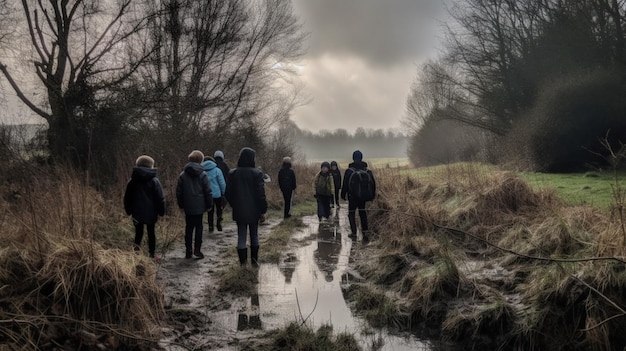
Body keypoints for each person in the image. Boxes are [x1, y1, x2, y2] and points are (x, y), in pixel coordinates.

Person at [225, 147, 268, 266]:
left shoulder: (233, 173)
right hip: (254, 210)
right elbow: (260, 194)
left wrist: (235, 204)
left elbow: (227, 193)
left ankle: (242, 264)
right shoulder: (257, 173)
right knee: (254, 235)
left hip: (239, 209)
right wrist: (263, 210)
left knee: (241, 236)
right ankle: (254, 262)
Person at [123, 155, 165, 259]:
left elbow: (127, 197)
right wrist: (161, 211)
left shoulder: (132, 181)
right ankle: (152, 254)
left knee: (138, 233)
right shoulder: (154, 181)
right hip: (151, 212)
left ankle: (136, 253)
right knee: (151, 233)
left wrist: (128, 210)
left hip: (136, 212)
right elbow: (159, 198)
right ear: (151, 166)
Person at [176, 150, 213, 259]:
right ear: (201, 160)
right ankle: (197, 249)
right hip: (200, 205)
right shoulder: (203, 174)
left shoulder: (182, 175)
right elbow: (208, 191)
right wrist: (209, 204)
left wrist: (181, 204)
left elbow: (179, 192)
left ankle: (188, 250)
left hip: (188, 205)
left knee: (189, 227)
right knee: (199, 227)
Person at [341, 150, 376, 239]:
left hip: (352, 197)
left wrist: (343, 195)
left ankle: (354, 232)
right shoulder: (367, 170)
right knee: (362, 212)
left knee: (351, 214)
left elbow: (345, 184)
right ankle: (365, 232)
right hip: (363, 197)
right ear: (361, 158)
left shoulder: (349, 171)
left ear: (353, 158)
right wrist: (372, 196)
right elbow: (373, 183)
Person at [202, 156, 226, 232]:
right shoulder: (217, 170)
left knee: (210, 211)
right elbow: (222, 183)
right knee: (219, 209)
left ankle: (210, 226)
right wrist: (223, 192)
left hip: (207, 194)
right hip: (217, 194)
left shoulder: (202, 171)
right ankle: (219, 222)